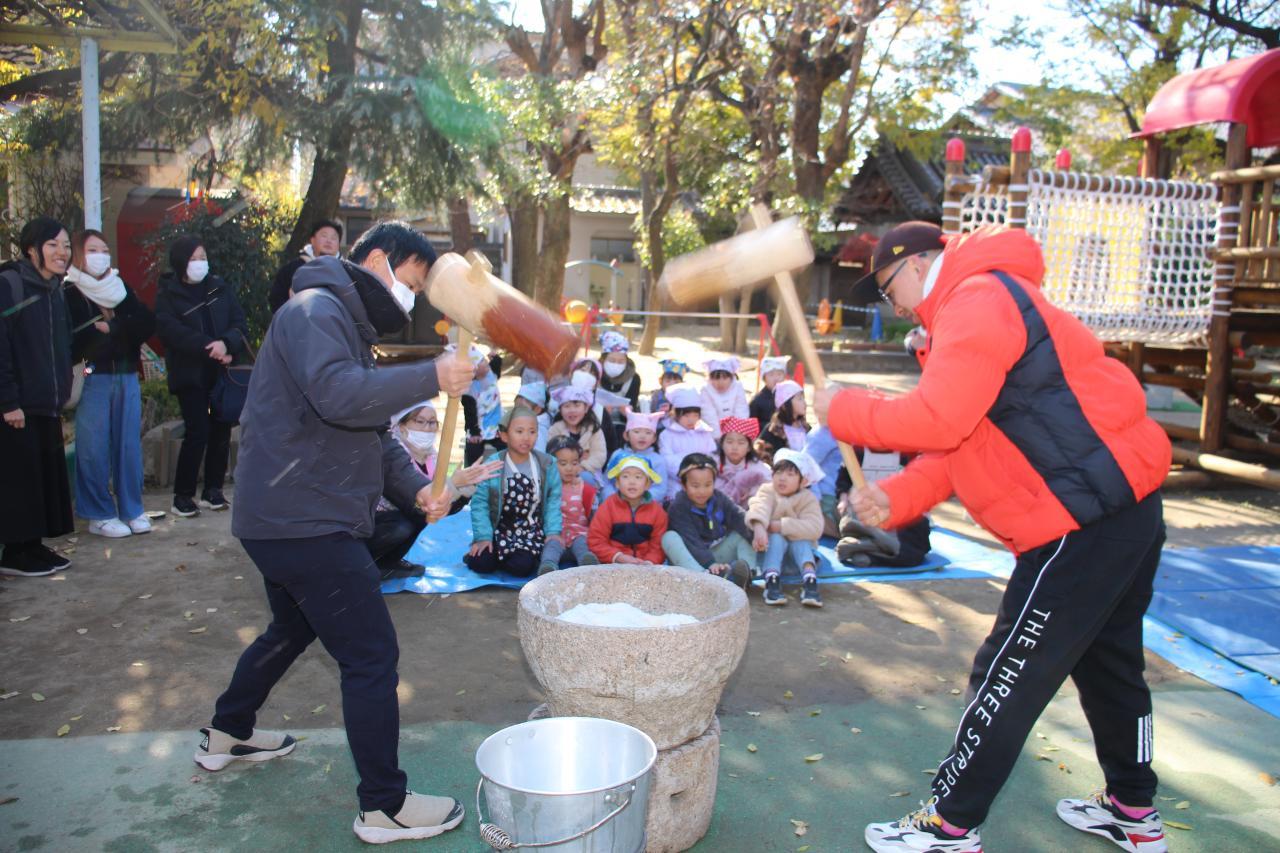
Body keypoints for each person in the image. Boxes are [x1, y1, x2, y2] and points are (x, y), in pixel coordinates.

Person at [813, 222, 1171, 852]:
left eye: (888, 287)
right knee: (1110, 663)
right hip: (1121, 509)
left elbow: (938, 419)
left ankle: (950, 825)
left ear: (918, 264)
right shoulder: (975, 305)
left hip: (1079, 520)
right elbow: (963, 444)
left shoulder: (976, 300)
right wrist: (895, 499)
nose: (892, 305)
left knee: (1007, 671)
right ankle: (1132, 808)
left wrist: (843, 408)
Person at [196, 221, 476, 844]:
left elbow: (371, 430)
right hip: (305, 522)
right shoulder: (314, 310)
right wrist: (433, 374)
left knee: (292, 629)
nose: (412, 298)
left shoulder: (341, 324)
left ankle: (228, 731)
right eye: (413, 283)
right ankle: (384, 806)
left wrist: (418, 490)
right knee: (371, 656)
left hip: (291, 520)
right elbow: (340, 397)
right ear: (378, 260)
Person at [65, 229, 156, 538]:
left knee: (128, 445)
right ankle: (98, 513)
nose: (100, 256)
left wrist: (114, 328)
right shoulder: (70, 292)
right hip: (93, 376)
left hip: (126, 374)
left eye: (104, 250)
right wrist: (114, 334)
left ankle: (132, 509)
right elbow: (77, 339)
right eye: (92, 250)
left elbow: (145, 323)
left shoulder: (120, 288)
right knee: (93, 447)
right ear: (79, 254)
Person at [0, 218, 75, 577]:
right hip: (18, 406)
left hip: (46, 403)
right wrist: (8, 401)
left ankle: (32, 545)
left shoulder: (55, 289)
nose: (62, 252)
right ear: (32, 249)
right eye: (53, 245)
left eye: (66, 245)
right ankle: (15, 552)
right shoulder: (10, 284)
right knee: (20, 481)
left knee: (40, 480)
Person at [154, 235, 248, 517]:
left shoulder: (219, 287)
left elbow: (239, 323)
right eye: (193, 258)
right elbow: (170, 330)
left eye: (203, 258)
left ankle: (213, 490)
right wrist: (209, 347)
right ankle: (183, 495)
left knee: (221, 431)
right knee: (197, 432)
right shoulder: (169, 294)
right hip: (190, 373)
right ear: (181, 261)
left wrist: (227, 344)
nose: (199, 263)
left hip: (222, 373)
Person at [371, 402, 502, 577]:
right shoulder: (392, 457)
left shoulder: (430, 458)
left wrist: (463, 490)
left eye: (432, 422)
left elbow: (437, 510)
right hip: (370, 523)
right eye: (420, 421)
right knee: (403, 526)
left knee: (418, 520)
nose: (427, 428)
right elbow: (415, 504)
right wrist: (452, 484)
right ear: (401, 426)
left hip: (399, 517)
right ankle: (365, 564)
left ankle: (387, 562)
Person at [465, 406, 562, 578]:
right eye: (519, 431)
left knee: (521, 567)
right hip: (499, 529)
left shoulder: (547, 464)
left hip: (530, 531)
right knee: (482, 563)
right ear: (504, 436)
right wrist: (483, 537)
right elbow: (480, 503)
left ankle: (515, 556)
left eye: (532, 432)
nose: (526, 437)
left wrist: (553, 532)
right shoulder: (493, 464)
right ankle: (494, 555)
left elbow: (553, 501)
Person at [746, 448, 825, 608]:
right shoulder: (767, 490)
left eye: (790, 474)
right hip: (771, 557)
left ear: (803, 481)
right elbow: (759, 507)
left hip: (798, 561)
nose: (782, 478)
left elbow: (815, 527)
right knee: (776, 538)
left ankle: (810, 580)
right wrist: (759, 526)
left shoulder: (808, 498)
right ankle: (772, 580)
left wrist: (781, 525)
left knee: (801, 540)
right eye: (779, 472)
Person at [662, 453, 755, 584]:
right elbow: (691, 541)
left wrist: (757, 533)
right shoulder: (678, 507)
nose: (702, 491)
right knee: (669, 537)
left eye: (707, 485)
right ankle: (704, 579)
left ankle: (748, 575)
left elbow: (738, 516)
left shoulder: (719, 498)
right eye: (695, 486)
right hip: (690, 559)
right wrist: (710, 563)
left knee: (743, 532)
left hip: (715, 555)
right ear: (683, 484)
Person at [832, 452, 932, 570]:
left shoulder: (906, 453)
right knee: (906, 551)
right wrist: (843, 500)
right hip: (864, 511)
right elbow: (844, 480)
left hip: (896, 514)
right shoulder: (858, 452)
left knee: (915, 549)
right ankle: (869, 541)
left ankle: (864, 550)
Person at [588, 454, 667, 565]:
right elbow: (596, 540)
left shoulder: (657, 512)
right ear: (617, 483)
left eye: (638, 477)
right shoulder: (608, 507)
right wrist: (618, 557)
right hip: (613, 564)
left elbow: (658, 546)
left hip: (646, 566)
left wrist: (649, 562)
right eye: (625, 476)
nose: (632, 482)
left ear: (647, 484)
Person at [538, 435, 599, 574]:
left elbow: (595, 517)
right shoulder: (546, 488)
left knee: (582, 545)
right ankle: (548, 568)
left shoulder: (586, 489)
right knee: (551, 548)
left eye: (574, 463)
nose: (569, 468)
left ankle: (588, 566)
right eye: (563, 463)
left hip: (579, 535)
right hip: (555, 536)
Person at [268, 219, 343, 314]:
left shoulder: (345, 272)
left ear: (339, 244)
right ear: (312, 240)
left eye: (334, 238)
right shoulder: (293, 269)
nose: (329, 241)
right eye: (324, 236)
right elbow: (276, 300)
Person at [601, 410, 669, 504]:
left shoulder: (658, 460)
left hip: (645, 505)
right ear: (626, 435)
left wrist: (642, 500)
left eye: (648, 433)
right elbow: (607, 481)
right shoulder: (617, 455)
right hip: (616, 504)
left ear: (654, 438)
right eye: (637, 431)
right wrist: (613, 498)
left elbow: (660, 488)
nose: (642, 436)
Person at [547, 385, 607, 487]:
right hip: (561, 472)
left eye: (577, 405)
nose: (572, 410)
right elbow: (551, 455)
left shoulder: (594, 430)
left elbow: (599, 455)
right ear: (560, 409)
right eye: (567, 406)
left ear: (586, 408)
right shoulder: (555, 429)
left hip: (588, 471)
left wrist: (582, 467)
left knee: (586, 478)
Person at [657, 384, 716, 481]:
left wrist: (704, 472)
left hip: (703, 480)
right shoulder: (667, 435)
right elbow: (667, 459)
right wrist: (687, 474)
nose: (691, 420)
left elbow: (712, 455)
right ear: (676, 413)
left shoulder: (704, 432)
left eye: (695, 415)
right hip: (676, 482)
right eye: (686, 416)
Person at [460, 344, 504, 467]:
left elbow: (496, 367)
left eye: (484, 360)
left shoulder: (490, 374)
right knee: (473, 452)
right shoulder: (469, 389)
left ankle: (506, 470)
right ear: (473, 369)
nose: (486, 363)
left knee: (504, 448)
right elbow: (469, 413)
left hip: (496, 426)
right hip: (478, 428)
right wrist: (474, 432)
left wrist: (495, 357)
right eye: (482, 362)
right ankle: (472, 472)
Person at [716, 416, 771, 510]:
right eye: (729, 442)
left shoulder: (757, 467)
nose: (734, 447)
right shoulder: (713, 463)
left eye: (741, 443)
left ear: (749, 447)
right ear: (722, 444)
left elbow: (769, 487)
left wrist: (751, 490)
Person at [599, 330, 641, 446]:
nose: (616, 364)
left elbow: (632, 404)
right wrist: (600, 411)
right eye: (612, 360)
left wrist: (627, 412)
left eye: (621, 361)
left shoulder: (633, 379)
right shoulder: (594, 374)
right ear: (603, 359)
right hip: (597, 423)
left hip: (622, 425)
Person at [756, 378, 808, 463]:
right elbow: (763, 458)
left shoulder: (805, 427)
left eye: (803, 398)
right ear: (784, 405)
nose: (805, 403)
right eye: (799, 399)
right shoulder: (773, 431)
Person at [698, 357, 749, 437]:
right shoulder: (706, 390)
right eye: (716, 378)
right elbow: (708, 415)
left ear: (731, 377)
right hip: (712, 434)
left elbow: (741, 410)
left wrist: (735, 433)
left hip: (735, 432)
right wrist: (718, 436)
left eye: (725, 378)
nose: (720, 382)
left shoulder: (737, 387)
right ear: (710, 378)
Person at [750, 355, 788, 433]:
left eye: (779, 374)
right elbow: (751, 425)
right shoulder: (757, 400)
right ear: (764, 378)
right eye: (771, 375)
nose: (776, 378)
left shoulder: (790, 397)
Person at [514, 381, 550, 453]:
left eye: (522, 409)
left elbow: (540, 453)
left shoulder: (539, 430)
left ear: (537, 409)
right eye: (516, 407)